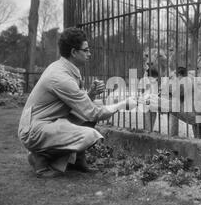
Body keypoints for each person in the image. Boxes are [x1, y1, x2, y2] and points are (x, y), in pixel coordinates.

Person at [18, 27, 137, 178]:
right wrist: (122, 105)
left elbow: (77, 106)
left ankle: (77, 161)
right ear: (74, 52)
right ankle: (41, 158)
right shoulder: (61, 77)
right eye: (86, 50)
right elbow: (93, 113)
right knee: (89, 135)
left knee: (88, 115)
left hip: (46, 122)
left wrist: (91, 94)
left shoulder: (64, 68)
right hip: (34, 131)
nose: (89, 53)